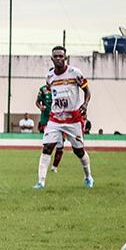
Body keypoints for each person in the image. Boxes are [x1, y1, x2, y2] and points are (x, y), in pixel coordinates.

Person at [34, 46, 92, 189]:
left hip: (73, 119)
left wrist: (85, 104)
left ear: (65, 58)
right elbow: (51, 92)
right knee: (47, 147)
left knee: (78, 150)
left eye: (61, 56)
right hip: (55, 118)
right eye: (56, 56)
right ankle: (40, 182)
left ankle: (88, 176)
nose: (58, 58)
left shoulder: (75, 73)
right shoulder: (49, 77)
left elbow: (87, 91)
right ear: (52, 58)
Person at [36, 83, 65, 172]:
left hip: (59, 120)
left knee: (60, 145)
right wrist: (40, 106)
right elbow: (37, 101)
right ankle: (44, 166)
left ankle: (54, 167)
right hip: (47, 119)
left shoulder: (61, 89)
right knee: (48, 144)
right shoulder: (43, 89)